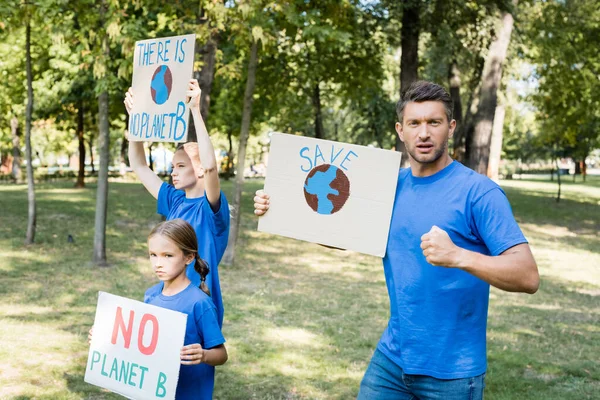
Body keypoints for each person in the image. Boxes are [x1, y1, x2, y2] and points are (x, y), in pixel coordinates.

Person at [253, 81, 540, 399]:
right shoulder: (388, 188)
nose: (424, 133)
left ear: (451, 127)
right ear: (400, 130)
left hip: (453, 373)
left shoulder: (480, 192)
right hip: (392, 361)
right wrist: (278, 207)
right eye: (414, 123)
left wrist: (458, 255)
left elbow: (527, 276)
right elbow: (343, 236)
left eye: (434, 122)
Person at [124, 79, 229, 328]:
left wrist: (195, 110)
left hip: (198, 306)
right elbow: (139, 165)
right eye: (173, 166)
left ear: (200, 169)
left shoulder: (211, 209)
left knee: (194, 364)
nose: (173, 172)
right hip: (169, 301)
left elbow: (212, 166)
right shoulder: (175, 200)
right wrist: (135, 121)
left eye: (181, 166)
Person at [89, 219, 227, 400]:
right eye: (153, 255)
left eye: (168, 255)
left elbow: (222, 354)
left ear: (188, 257)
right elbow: (143, 343)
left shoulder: (199, 304)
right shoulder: (151, 295)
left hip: (189, 394)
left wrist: (204, 355)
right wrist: (106, 339)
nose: (158, 263)